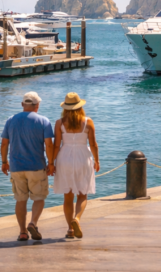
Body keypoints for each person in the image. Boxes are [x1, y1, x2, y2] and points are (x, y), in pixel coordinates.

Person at [1, 92, 54, 242]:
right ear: (37, 106)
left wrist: (4, 162)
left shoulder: (11, 120)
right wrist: (51, 163)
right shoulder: (44, 121)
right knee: (39, 198)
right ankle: (33, 222)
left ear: (22, 105)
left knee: (20, 200)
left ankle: (23, 232)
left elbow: (4, 143)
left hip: (16, 167)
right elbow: (49, 144)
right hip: (36, 166)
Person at [53, 92, 100, 239]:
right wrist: (97, 160)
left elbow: (56, 146)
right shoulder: (88, 122)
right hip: (83, 157)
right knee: (82, 194)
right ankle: (77, 219)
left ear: (65, 108)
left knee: (68, 196)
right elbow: (93, 144)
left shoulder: (60, 123)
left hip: (65, 157)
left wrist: (51, 163)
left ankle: (70, 230)